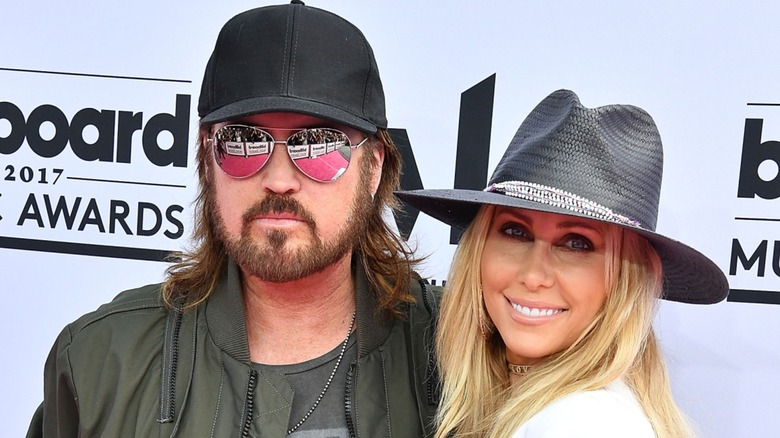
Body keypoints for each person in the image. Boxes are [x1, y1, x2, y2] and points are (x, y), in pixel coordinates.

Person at [27, 2, 440, 437]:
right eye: (244, 141)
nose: (279, 180)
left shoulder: (458, 355)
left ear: (373, 168)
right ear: (207, 158)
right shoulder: (101, 361)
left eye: (318, 145)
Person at [397, 89, 729, 437]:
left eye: (576, 243)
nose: (534, 275)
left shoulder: (582, 423)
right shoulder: (547, 407)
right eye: (515, 231)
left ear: (627, 279)